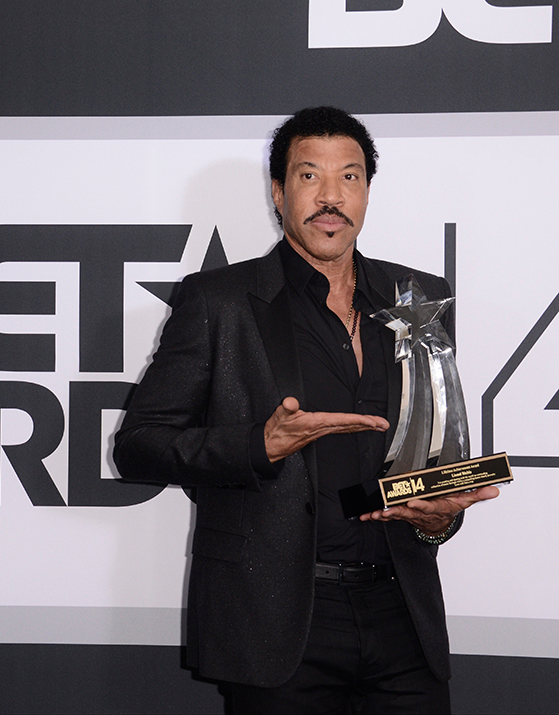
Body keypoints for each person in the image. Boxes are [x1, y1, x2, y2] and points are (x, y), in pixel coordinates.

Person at [113, 106, 499, 713]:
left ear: (368, 190)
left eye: (349, 177)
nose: (330, 197)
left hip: (403, 616)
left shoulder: (418, 299)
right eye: (309, 176)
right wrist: (255, 445)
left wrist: (437, 518)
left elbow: (431, 447)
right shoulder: (220, 301)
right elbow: (138, 445)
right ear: (278, 192)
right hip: (276, 619)